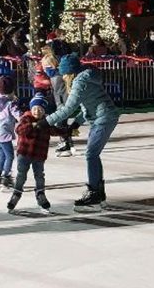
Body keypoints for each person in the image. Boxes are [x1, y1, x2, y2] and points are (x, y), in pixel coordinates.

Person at [45, 53, 120, 210]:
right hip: (102, 117)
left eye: (64, 73)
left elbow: (68, 108)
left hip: (104, 118)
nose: (63, 77)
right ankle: (98, 192)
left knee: (91, 154)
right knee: (93, 155)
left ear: (70, 72)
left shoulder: (80, 82)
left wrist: (44, 122)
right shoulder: (85, 78)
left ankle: (94, 192)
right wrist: (76, 124)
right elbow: (89, 103)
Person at [6, 93, 70, 215]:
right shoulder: (26, 118)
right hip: (24, 154)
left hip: (39, 155)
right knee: (21, 176)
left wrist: (68, 132)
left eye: (40, 109)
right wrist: (34, 125)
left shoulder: (46, 121)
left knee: (39, 176)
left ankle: (41, 195)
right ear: (31, 108)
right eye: (35, 108)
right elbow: (19, 130)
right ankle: (16, 194)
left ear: (44, 110)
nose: (37, 111)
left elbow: (55, 131)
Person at [0, 74, 22, 191]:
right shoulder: (10, 103)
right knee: (10, 156)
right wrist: (26, 119)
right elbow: (18, 115)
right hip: (4, 132)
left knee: (2, 154)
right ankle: (6, 178)